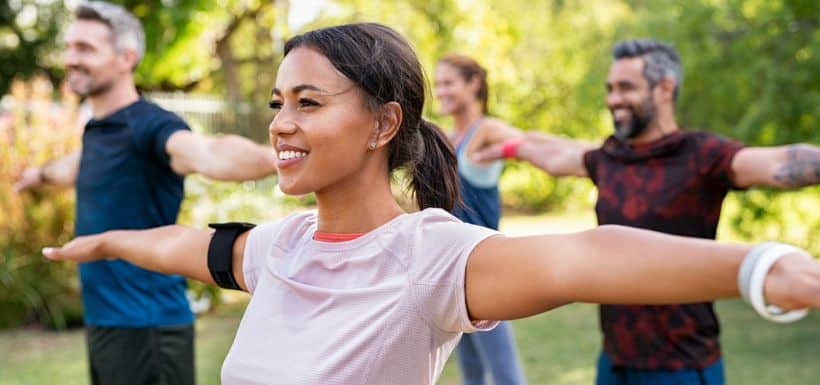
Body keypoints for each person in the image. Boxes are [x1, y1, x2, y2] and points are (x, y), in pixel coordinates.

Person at [42, 24, 820, 385]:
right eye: (279, 101)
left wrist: (763, 267)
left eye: (308, 102)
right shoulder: (280, 249)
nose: (280, 122)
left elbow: (585, 255)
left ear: (384, 122)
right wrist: (107, 240)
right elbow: (187, 244)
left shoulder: (430, 257)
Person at [473, 39, 820, 385]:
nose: (613, 99)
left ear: (665, 88)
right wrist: (506, 148)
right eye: (610, 88)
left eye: (626, 87)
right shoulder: (608, 156)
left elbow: (777, 163)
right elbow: (556, 154)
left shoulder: (702, 155)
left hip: (682, 366)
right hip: (615, 362)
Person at [13, 2, 278, 385]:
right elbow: (73, 166)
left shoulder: (152, 126)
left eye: (85, 49)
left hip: (148, 327)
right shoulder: (98, 130)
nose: (70, 58)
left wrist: (277, 159)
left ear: (126, 57)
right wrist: (36, 175)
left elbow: (208, 153)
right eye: (70, 47)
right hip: (107, 322)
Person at [434, 54, 527, 385]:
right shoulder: (446, 138)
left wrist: (510, 150)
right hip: (452, 271)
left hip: (488, 270)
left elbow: (530, 143)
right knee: (472, 374)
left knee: (505, 376)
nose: (440, 90)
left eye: (448, 83)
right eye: (438, 83)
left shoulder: (486, 130)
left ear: (473, 83)